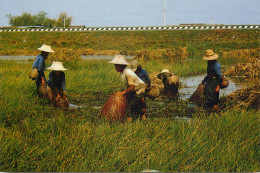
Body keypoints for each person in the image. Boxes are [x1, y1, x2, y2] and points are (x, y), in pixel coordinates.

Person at [109, 54, 147, 121]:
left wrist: (123, 93)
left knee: (129, 107)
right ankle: (144, 120)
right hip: (135, 90)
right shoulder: (123, 72)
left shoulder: (128, 73)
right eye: (115, 65)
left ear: (120, 66)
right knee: (137, 107)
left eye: (116, 65)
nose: (115, 67)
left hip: (140, 90)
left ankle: (128, 124)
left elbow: (132, 87)